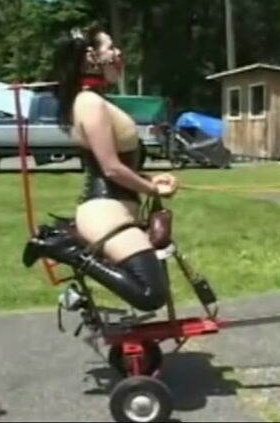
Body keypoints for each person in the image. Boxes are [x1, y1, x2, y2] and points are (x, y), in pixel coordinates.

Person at [22, 23, 178, 313]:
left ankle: (61, 247)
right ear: (91, 57)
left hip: (116, 209)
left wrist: (151, 179)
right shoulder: (89, 103)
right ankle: (63, 248)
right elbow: (111, 169)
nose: (118, 53)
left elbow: (119, 165)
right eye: (110, 47)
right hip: (105, 213)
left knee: (154, 291)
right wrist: (152, 189)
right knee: (150, 293)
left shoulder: (96, 100)